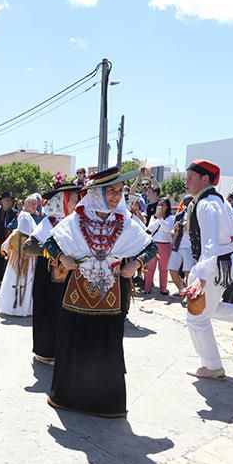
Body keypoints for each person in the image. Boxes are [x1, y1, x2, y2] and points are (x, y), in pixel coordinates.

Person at [42, 168, 156, 417]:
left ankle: (107, 403)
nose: (116, 196)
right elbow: (50, 242)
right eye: (110, 190)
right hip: (78, 291)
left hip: (111, 293)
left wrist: (135, 264)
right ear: (96, 193)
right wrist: (63, 258)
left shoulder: (125, 221)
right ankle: (68, 398)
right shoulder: (76, 219)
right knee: (75, 340)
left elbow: (150, 246)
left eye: (119, 191)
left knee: (106, 344)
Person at [183, 160, 233, 379]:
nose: (186, 182)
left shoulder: (206, 204)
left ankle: (212, 366)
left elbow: (210, 244)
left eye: (191, 178)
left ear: (205, 179)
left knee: (196, 317)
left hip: (214, 266)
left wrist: (201, 276)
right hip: (226, 264)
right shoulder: (221, 202)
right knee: (211, 308)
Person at [25, 175, 80, 364]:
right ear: (62, 201)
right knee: (48, 312)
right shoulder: (49, 223)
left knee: (65, 312)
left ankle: (63, 351)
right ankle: (45, 353)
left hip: (68, 275)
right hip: (47, 275)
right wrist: (56, 252)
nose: (76, 203)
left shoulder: (74, 222)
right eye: (73, 199)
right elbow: (28, 247)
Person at [0, 193, 42, 316]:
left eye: (36, 204)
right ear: (26, 204)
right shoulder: (25, 215)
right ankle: (18, 308)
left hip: (25, 251)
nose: (34, 206)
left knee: (24, 279)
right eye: (32, 203)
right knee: (21, 278)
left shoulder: (27, 215)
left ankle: (20, 307)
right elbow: (25, 232)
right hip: (23, 254)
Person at [144, 199, 175, 295]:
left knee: (163, 269)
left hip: (165, 245)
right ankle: (147, 288)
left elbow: (168, 230)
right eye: (159, 204)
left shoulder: (171, 218)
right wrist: (158, 218)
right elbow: (149, 229)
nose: (161, 206)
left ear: (167, 206)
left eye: (163, 205)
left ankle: (163, 289)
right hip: (154, 244)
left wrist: (161, 219)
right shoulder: (154, 217)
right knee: (150, 268)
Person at [168, 195, 196, 294]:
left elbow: (191, 225)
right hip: (178, 246)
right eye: (185, 202)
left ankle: (190, 292)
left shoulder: (196, 215)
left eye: (189, 202)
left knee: (188, 272)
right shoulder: (179, 215)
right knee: (172, 270)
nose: (187, 205)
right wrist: (174, 232)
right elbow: (172, 230)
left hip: (190, 247)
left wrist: (183, 225)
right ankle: (182, 290)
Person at [0, 193, 17, 284]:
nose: (9, 202)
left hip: (12, 241)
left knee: (12, 260)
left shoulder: (15, 214)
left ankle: (11, 279)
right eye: (7, 200)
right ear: (2, 201)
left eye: (10, 200)